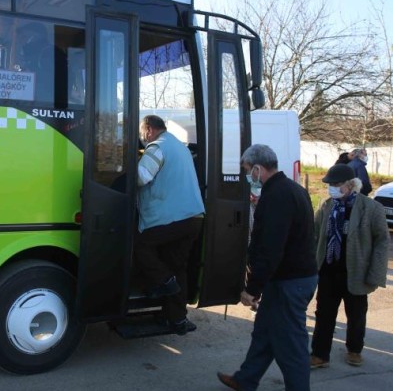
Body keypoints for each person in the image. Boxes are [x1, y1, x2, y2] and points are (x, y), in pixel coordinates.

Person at [217, 144, 318, 391]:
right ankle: (245, 379)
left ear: (258, 169)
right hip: (289, 278)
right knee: (264, 333)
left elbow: (271, 249)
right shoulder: (293, 189)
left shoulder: (276, 197)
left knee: (291, 344)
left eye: (247, 170)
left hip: (289, 282)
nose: (246, 175)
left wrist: (253, 289)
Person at [310, 164, 389, 369]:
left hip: (356, 271)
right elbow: (315, 234)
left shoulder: (371, 208)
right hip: (328, 270)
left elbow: (382, 241)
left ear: (351, 185)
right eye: (330, 184)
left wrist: (375, 272)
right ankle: (319, 354)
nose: (332, 188)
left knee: (356, 314)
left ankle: (354, 350)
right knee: (324, 313)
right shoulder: (326, 205)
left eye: (337, 184)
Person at [135, 115, 204, 335]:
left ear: (148, 129)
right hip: (193, 218)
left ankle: (164, 281)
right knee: (177, 267)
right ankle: (177, 319)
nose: (142, 137)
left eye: (142, 133)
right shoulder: (180, 147)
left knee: (139, 245)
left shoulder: (157, 147)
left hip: (171, 218)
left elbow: (141, 177)